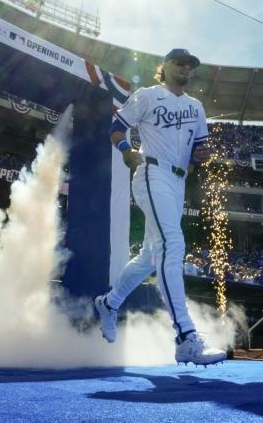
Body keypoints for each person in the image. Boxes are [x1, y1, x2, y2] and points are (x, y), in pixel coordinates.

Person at [93, 48, 226, 366]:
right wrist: (126, 149)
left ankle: (109, 303)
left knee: (151, 257)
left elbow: (198, 150)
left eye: (190, 65)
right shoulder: (148, 95)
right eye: (179, 63)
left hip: (178, 181)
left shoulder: (196, 107)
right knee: (172, 245)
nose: (185, 68)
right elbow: (116, 126)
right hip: (152, 172)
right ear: (164, 67)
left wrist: (203, 157)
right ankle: (185, 337)